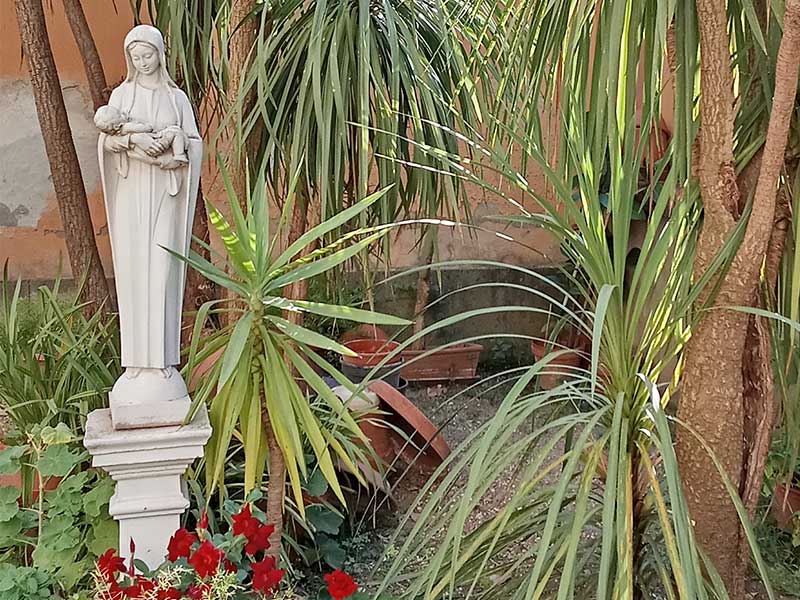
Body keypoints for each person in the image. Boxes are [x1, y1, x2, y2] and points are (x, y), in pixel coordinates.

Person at [98, 24, 202, 383]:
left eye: (148, 55)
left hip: (165, 193)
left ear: (160, 54)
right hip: (131, 193)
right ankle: (135, 364)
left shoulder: (177, 99)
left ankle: (162, 362)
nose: (142, 62)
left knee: (162, 268)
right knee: (133, 270)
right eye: (136, 57)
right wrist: (135, 143)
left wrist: (174, 146)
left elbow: (195, 144)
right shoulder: (121, 96)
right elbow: (106, 141)